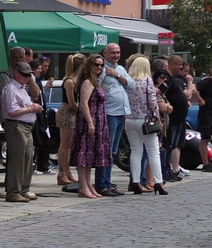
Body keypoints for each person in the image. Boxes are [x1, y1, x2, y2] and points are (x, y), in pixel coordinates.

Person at [69, 53, 112, 199]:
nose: (99, 67)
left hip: (99, 120)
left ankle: (88, 185)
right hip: (89, 120)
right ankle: (83, 186)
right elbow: (83, 103)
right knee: (84, 155)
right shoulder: (87, 82)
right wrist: (90, 122)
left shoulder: (95, 82)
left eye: (101, 65)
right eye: (96, 65)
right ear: (90, 65)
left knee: (90, 157)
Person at [0, 58, 42, 203]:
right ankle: (13, 191)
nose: (27, 77)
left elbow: (36, 94)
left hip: (27, 126)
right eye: (25, 75)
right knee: (17, 160)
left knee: (28, 158)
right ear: (16, 73)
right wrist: (31, 108)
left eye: (29, 75)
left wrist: (31, 81)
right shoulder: (10, 88)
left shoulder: (23, 88)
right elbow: (12, 111)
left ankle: (23, 189)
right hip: (16, 125)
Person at [125, 55, 165, 194]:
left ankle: (135, 182)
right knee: (153, 151)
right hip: (146, 119)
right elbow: (152, 103)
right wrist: (157, 118)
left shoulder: (128, 82)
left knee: (135, 151)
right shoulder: (147, 81)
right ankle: (158, 182)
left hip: (130, 119)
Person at [99, 43, 134, 177]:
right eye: (113, 53)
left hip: (122, 112)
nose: (116, 55)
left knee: (114, 149)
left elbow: (132, 85)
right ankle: (103, 182)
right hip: (109, 113)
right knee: (107, 149)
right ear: (105, 54)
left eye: (118, 52)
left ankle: (107, 181)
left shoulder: (120, 69)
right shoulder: (101, 69)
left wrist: (117, 76)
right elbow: (97, 86)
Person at [160, 55, 195, 182]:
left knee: (173, 145)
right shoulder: (166, 78)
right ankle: (165, 170)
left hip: (179, 118)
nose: (181, 67)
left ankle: (168, 169)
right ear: (172, 64)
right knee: (168, 144)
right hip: (172, 118)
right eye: (179, 65)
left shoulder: (173, 79)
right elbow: (159, 91)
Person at [56, 53, 84, 190]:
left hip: (72, 113)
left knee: (70, 144)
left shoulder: (76, 80)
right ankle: (61, 173)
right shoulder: (70, 81)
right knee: (65, 144)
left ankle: (67, 171)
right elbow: (71, 103)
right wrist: (83, 109)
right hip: (67, 112)